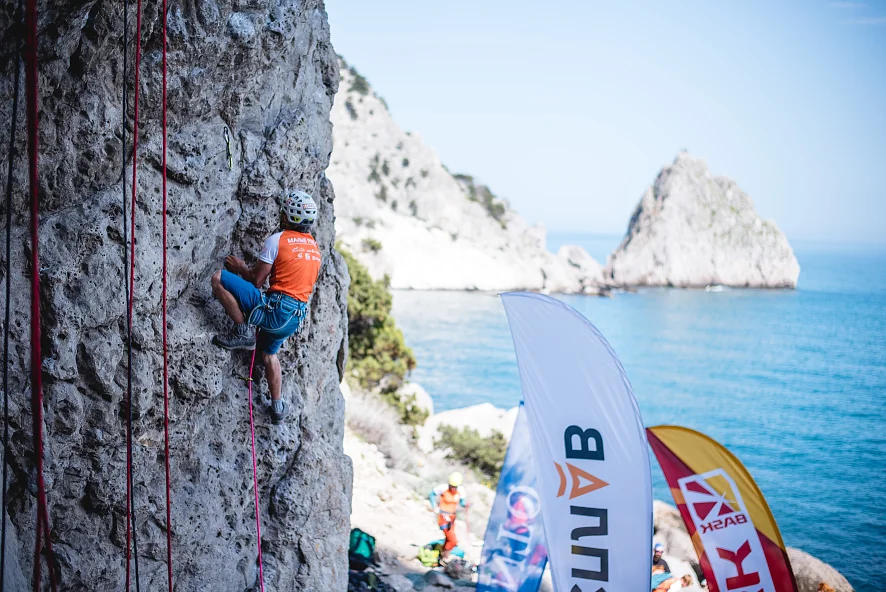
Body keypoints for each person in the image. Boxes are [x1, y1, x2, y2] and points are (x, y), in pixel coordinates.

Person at [210, 190, 321, 423]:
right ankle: (278, 406)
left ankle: (243, 331)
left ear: (288, 215)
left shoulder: (277, 240)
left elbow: (256, 281)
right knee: (269, 354)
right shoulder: (314, 248)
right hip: (294, 318)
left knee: (219, 278)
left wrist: (240, 267)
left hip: (275, 310)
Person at [429, 472, 468, 562]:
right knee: (453, 540)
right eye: (451, 486)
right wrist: (434, 506)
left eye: (455, 487)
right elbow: (432, 494)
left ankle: (442, 555)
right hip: (443, 517)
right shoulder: (443, 488)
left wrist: (466, 505)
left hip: (452, 517)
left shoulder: (461, 491)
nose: (453, 488)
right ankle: (445, 558)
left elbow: (462, 502)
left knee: (448, 538)